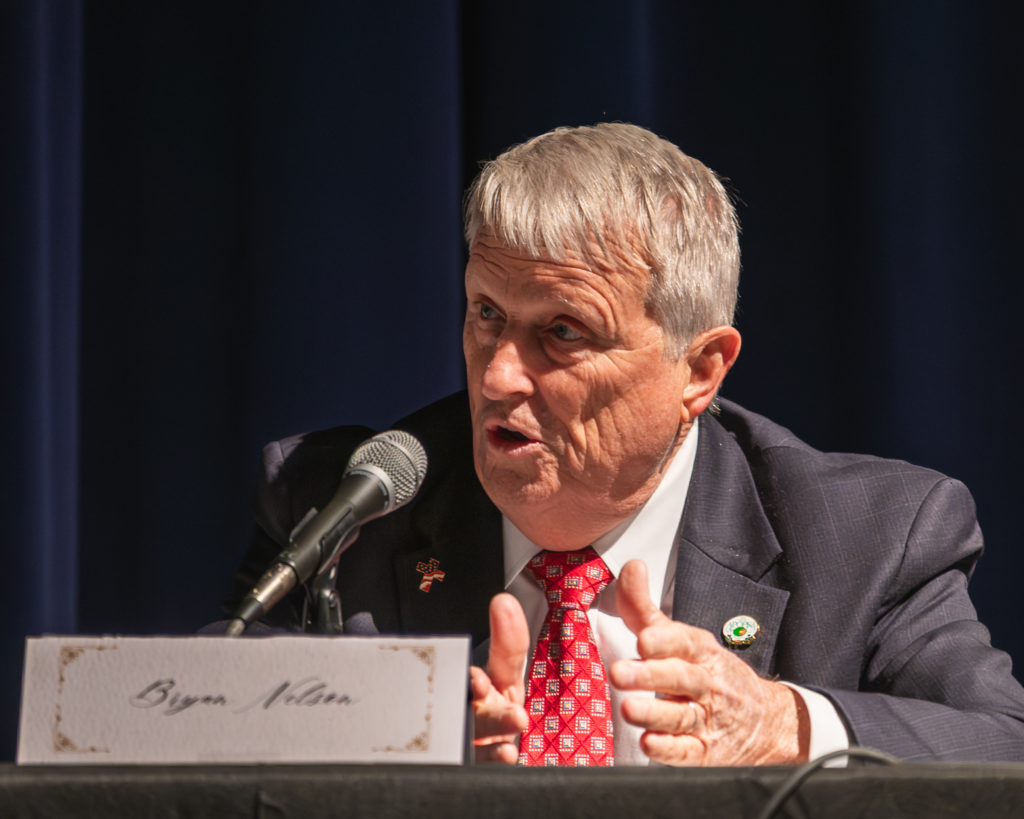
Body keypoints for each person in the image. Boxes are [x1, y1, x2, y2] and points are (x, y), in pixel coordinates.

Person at [226, 123, 1024, 766]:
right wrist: (396, 743)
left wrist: (781, 725)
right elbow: (189, 717)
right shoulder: (344, 506)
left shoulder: (867, 539)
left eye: (563, 332)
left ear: (700, 370)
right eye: (487, 314)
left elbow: (1004, 743)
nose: (498, 375)